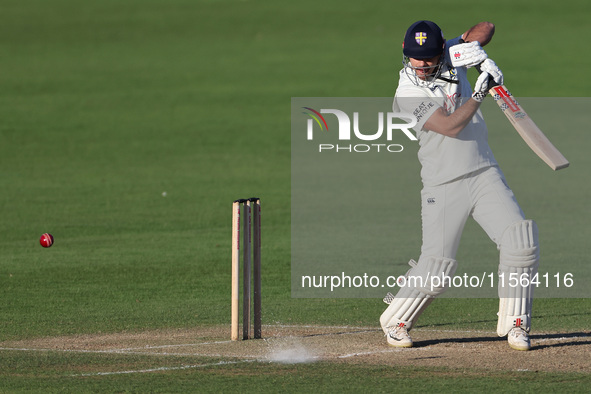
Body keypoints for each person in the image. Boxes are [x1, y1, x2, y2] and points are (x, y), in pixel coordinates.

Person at [379, 20, 539, 351]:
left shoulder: (450, 55)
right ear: (405, 55)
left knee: (520, 241)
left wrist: (474, 49)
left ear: (440, 52)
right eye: (414, 58)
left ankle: (516, 324)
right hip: (443, 184)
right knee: (437, 269)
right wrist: (481, 90)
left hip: (484, 172)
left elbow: (487, 27)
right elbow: (451, 126)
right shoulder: (406, 93)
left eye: (428, 57)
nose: (421, 65)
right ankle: (395, 319)